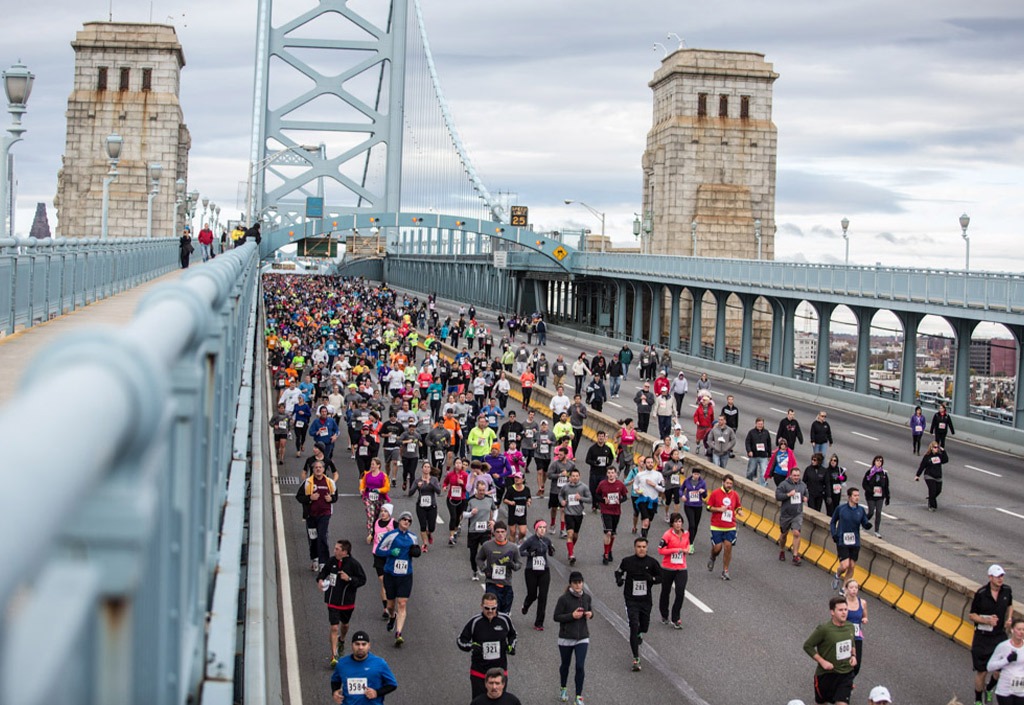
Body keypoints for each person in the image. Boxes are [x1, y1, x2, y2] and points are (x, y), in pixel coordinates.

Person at [373, 511, 422, 647]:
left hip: (406, 574)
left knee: (402, 603)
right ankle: (392, 616)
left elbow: (416, 550)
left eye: (409, 520)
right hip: (390, 573)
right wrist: (390, 552)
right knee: (390, 605)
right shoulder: (391, 535)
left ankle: (398, 633)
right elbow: (378, 551)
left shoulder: (413, 537)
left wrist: (416, 552)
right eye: (404, 519)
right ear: (399, 521)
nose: (406, 522)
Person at [457, 592, 518, 700]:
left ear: (497, 606)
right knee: (480, 701)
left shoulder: (505, 620)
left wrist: (511, 646)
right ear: (481, 606)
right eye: (487, 608)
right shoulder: (475, 622)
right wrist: (471, 646)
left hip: (499, 672)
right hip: (479, 672)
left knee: (499, 701)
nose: (490, 611)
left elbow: (513, 635)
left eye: (493, 608)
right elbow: (461, 640)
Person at [615, 537, 661, 671]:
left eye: (643, 547)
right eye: (639, 547)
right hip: (631, 600)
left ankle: (641, 632)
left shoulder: (652, 562)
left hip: (646, 600)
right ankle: (636, 658)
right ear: (635, 548)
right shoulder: (627, 561)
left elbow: (661, 577)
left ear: (647, 548)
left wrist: (651, 579)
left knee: (644, 626)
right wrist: (619, 580)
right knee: (633, 626)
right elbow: (618, 572)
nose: (641, 549)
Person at [318, 539, 367, 666]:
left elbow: (362, 580)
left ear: (345, 552)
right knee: (334, 627)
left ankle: (342, 639)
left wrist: (349, 578)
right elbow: (324, 572)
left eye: (337, 549)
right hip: (332, 600)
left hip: (347, 602)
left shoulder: (354, 564)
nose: (334, 551)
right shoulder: (331, 561)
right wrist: (320, 580)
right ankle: (334, 656)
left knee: (344, 625)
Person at [971, 564, 1015, 705]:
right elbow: (972, 615)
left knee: (1000, 669)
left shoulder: (1007, 590)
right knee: (982, 671)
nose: (1000, 579)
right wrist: (986, 621)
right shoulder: (981, 593)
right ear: (990, 577)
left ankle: (989, 688)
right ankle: (978, 700)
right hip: (983, 636)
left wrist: (1009, 618)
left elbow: (1010, 605)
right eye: (997, 576)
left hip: (999, 635)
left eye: (1002, 576)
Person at [802, 596, 858, 705]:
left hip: (846, 673)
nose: (844, 613)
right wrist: (822, 662)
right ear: (832, 612)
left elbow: (852, 642)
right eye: (840, 610)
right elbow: (807, 646)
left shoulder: (850, 626)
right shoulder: (824, 629)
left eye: (846, 609)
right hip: (827, 675)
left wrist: (853, 656)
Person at [553, 571, 593, 705]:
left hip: (582, 637)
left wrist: (590, 614)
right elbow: (556, 617)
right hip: (566, 638)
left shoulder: (587, 598)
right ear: (570, 584)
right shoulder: (563, 599)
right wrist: (572, 616)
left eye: (580, 582)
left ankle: (578, 696)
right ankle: (563, 688)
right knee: (565, 665)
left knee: (580, 666)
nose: (578, 585)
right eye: (575, 583)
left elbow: (590, 610)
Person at [330, 630, 398, 705]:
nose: (360, 647)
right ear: (352, 645)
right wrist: (335, 692)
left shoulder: (379, 663)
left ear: (369, 645)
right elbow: (335, 680)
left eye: (363, 644)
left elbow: (392, 684)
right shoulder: (342, 663)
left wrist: (377, 692)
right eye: (357, 644)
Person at [298, 460, 338, 572]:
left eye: (320, 467)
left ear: (324, 469)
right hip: (311, 515)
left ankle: (323, 562)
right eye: (316, 467)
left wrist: (331, 499)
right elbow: (299, 497)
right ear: (313, 470)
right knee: (313, 538)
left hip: (325, 514)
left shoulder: (330, 482)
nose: (318, 469)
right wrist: (309, 498)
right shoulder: (307, 482)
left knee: (322, 537)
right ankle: (315, 559)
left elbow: (335, 497)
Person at [829, 488, 872, 593]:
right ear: (849, 497)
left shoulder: (860, 510)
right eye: (855, 495)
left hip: (855, 541)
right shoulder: (841, 509)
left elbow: (864, 522)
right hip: (842, 540)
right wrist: (834, 534)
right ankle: (837, 575)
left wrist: (867, 525)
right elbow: (833, 522)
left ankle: (844, 588)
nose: (857, 498)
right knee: (845, 565)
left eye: (858, 495)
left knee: (852, 566)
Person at [477, 521, 523, 615]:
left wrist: (512, 565)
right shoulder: (487, 545)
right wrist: (484, 569)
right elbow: (479, 558)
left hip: (506, 583)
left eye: (502, 532)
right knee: (493, 610)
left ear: (506, 532)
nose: (500, 534)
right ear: (494, 533)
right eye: (497, 532)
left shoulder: (513, 547)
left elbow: (519, 564)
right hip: (491, 582)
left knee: (504, 612)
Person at [520, 519, 555, 630]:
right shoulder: (530, 541)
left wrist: (551, 550)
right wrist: (530, 554)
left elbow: (551, 553)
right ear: (536, 529)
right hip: (531, 570)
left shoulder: (547, 540)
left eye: (544, 528)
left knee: (543, 596)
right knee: (532, 594)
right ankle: (526, 605)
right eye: (540, 527)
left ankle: (539, 623)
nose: (542, 530)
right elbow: (520, 551)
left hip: (544, 570)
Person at [657, 512, 690, 628]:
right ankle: (664, 614)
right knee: (665, 591)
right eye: (676, 522)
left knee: (680, 592)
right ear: (672, 524)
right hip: (668, 568)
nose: (678, 524)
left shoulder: (686, 534)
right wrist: (676, 550)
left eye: (680, 521)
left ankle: (676, 618)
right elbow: (660, 550)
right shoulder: (667, 535)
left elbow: (687, 545)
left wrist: (686, 549)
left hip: (681, 568)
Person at [707, 474, 743, 580]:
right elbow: (708, 507)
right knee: (718, 548)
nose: (729, 485)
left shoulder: (735, 495)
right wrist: (719, 509)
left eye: (731, 483)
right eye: (727, 483)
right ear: (723, 482)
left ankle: (725, 570)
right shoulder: (715, 493)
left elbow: (738, 506)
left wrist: (739, 511)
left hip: (730, 526)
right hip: (717, 526)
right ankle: (713, 556)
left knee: (728, 546)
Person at [986, 617, 1024, 705]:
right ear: (1012, 630)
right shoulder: (1003, 646)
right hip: (1005, 688)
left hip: (1020, 689)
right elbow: (989, 667)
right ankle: (988, 688)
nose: (1021, 632)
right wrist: (1006, 660)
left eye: (1023, 630)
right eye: (1019, 629)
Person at [595, 467, 629, 565]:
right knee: (608, 532)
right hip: (605, 510)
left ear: (616, 474)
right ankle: (605, 554)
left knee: (613, 534)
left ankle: (609, 550)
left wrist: (620, 501)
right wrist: (603, 500)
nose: (610, 474)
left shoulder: (620, 484)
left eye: (612, 473)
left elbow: (625, 497)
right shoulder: (602, 484)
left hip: (616, 511)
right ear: (607, 474)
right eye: (609, 473)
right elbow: (596, 495)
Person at [559, 468, 593, 566]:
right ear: (570, 477)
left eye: (576, 476)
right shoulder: (565, 487)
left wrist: (580, 498)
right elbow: (560, 495)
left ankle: (571, 549)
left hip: (578, 514)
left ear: (579, 477)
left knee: (575, 535)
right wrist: (562, 501)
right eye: (573, 476)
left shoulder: (583, 487)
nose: (575, 478)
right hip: (568, 513)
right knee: (570, 534)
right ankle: (571, 555)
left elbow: (590, 499)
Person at [776, 466, 808, 566]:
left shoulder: (802, 485)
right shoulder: (784, 484)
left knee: (796, 533)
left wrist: (805, 498)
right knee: (784, 535)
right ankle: (782, 550)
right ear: (790, 475)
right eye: (794, 475)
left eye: (798, 475)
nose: (796, 477)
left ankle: (795, 555)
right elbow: (778, 496)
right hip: (786, 514)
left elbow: (806, 493)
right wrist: (788, 495)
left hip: (797, 513)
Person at [466, 480, 497, 579]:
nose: (482, 492)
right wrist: (471, 513)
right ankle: (474, 570)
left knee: (488, 550)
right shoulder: (471, 500)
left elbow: (495, 509)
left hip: (485, 530)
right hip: (473, 531)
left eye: (483, 490)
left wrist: (493, 521)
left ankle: (484, 568)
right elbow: (463, 514)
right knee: (473, 553)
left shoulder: (489, 499)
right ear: (476, 489)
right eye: (480, 490)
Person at [408, 461, 442, 550]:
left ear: (430, 469)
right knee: (423, 526)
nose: (426, 469)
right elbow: (410, 493)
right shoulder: (417, 480)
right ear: (422, 469)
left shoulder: (434, 479)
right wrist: (417, 486)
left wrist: (430, 483)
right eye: (425, 467)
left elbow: (438, 491)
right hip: (420, 506)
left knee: (432, 527)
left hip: (432, 506)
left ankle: (429, 533)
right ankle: (425, 544)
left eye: (428, 467)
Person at [631, 456, 664, 540]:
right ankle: (643, 539)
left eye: (651, 462)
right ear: (645, 464)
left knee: (649, 521)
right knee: (645, 521)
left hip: (653, 501)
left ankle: (643, 534)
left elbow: (663, 489)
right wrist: (636, 490)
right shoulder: (640, 475)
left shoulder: (658, 475)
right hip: (643, 500)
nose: (650, 464)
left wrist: (654, 485)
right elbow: (635, 484)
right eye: (648, 462)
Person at [584, 430, 616, 513]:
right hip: (594, 472)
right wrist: (594, 463)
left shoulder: (607, 449)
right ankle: (594, 504)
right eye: (599, 436)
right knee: (593, 489)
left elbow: (611, 457)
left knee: (602, 489)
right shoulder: (592, 448)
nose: (601, 438)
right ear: (597, 437)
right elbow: (587, 460)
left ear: (604, 438)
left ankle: (599, 503)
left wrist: (608, 463)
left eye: (602, 436)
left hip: (603, 472)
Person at [861, 456, 890, 538]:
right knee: (871, 512)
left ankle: (877, 531)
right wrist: (870, 490)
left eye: (880, 461)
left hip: (880, 496)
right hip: (870, 495)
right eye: (877, 460)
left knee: (878, 512)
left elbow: (886, 486)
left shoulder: (884, 474)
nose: (879, 462)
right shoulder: (870, 472)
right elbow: (864, 484)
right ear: (874, 462)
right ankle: (863, 522)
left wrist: (887, 497)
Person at [844, 578, 868, 678]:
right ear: (846, 589)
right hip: (844, 635)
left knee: (856, 665)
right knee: (844, 661)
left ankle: (848, 680)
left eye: (856, 588)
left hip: (857, 636)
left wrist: (865, 619)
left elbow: (865, 616)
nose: (854, 590)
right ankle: (843, 682)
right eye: (851, 587)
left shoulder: (862, 603)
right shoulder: (842, 603)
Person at [915, 441, 949, 511]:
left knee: (938, 490)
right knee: (932, 490)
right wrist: (917, 475)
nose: (936, 449)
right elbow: (922, 466)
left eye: (937, 447)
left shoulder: (939, 455)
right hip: (929, 475)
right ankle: (932, 505)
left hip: (938, 476)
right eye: (935, 447)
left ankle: (931, 498)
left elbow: (945, 460)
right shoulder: (927, 456)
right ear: (931, 448)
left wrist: (944, 451)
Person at [681, 467, 707, 553]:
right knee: (691, 524)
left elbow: (705, 496)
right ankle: (691, 544)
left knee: (695, 526)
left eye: (698, 474)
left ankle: (690, 540)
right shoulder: (687, 481)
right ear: (692, 474)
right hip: (688, 505)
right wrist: (682, 496)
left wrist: (703, 491)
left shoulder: (702, 482)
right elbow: (681, 489)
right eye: (695, 474)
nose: (696, 476)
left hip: (698, 506)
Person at [745, 417, 772, 485]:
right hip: (754, 455)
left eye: (761, 424)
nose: (760, 425)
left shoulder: (766, 432)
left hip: (763, 456)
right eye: (759, 424)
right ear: (756, 424)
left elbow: (769, 444)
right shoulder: (751, 432)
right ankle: (748, 483)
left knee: (763, 472)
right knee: (750, 471)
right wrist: (749, 451)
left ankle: (762, 486)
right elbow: (747, 442)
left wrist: (769, 455)